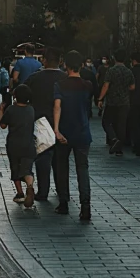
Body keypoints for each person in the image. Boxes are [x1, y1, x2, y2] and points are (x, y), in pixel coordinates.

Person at [53, 50, 94, 220]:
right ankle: (85, 207)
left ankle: (63, 203)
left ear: (65, 65)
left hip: (64, 132)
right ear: (81, 65)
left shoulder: (60, 85)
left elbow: (57, 107)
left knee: (62, 168)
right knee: (82, 169)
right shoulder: (88, 85)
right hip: (83, 132)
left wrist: (56, 129)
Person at [25, 46, 65, 201]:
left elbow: (21, 91)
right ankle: (62, 190)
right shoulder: (65, 78)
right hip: (60, 122)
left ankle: (43, 191)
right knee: (60, 160)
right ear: (60, 61)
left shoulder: (35, 78)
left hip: (40, 122)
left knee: (43, 158)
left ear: (45, 60)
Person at [0, 84, 36, 208]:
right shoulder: (31, 109)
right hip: (29, 144)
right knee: (27, 169)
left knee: (15, 168)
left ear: (15, 96)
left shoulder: (11, 109)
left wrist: (1, 111)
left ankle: (20, 193)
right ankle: (30, 187)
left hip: (14, 144)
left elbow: (3, 125)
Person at [98, 49, 135, 156]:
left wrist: (100, 98)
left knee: (106, 121)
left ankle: (114, 139)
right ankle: (119, 149)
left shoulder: (111, 71)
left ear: (114, 58)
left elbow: (106, 85)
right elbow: (133, 87)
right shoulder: (129, 71)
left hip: (112, 101)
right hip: (124, 102)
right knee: (121, 125)